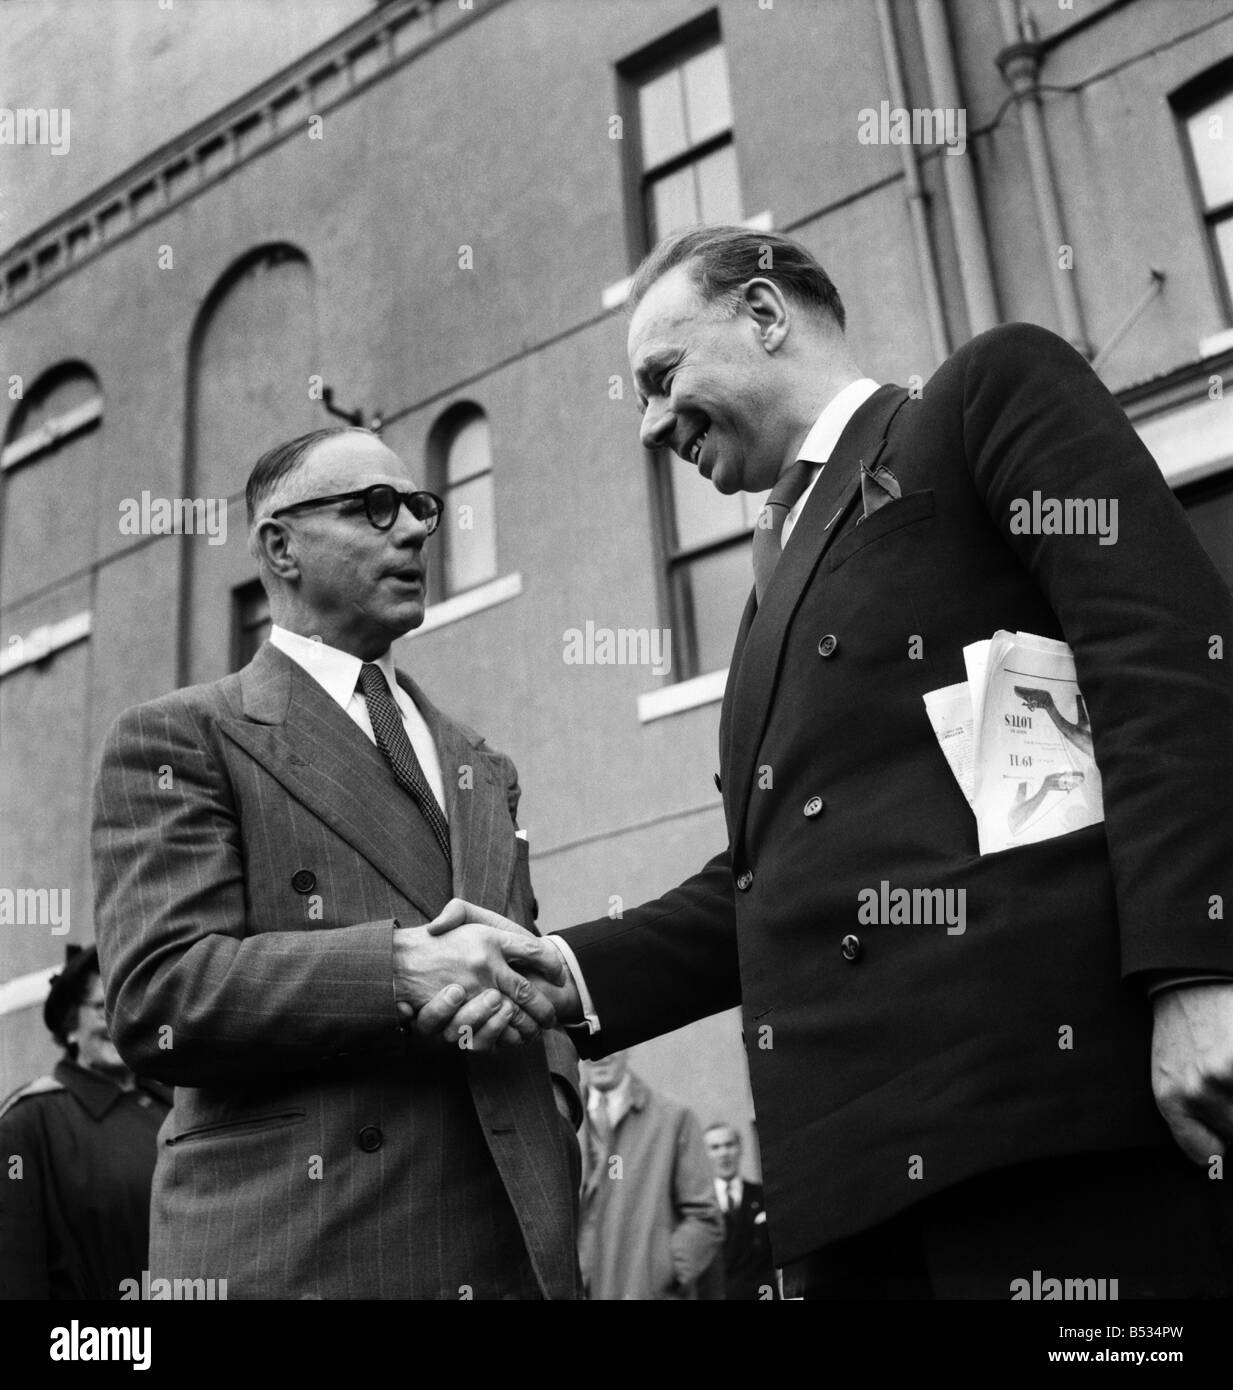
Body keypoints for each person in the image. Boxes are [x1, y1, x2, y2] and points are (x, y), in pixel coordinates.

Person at [430, 225, 1233, 1299]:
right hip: (845, 1195)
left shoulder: (978, 401)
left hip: (1045, 1137)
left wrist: (1200, 969)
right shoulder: (764, 598)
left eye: (662, 377)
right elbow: (766, 882)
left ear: (764, 315)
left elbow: (1166, 666)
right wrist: (562, 969)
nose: (652, 423)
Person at [91, 425, 583, 1300]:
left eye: (420, 510)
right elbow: (159, 991)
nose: (413, 532)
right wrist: (396, 969)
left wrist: (554, 1103)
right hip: (309, 1246)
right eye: (374, 509)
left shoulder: (482, 763)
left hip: (511, 1243)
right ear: (279, 546)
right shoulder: (183, 736)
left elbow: (528, 961)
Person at [0, 944, 171, 1299]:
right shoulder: (28, 1122)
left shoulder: (176, 1106)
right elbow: (17, 1274)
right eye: (99, 1007)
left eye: (125, 1007)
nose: (115, 1020)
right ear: (70, 1027)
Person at [577, 1050, 721, 1300]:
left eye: (606, 1044)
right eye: (587, 1045)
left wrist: (661, 1271)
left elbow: (704, 1217)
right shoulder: (560, 1121)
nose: (598, 1054)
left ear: (626, 1046)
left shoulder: (674, 1118)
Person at [703, 1122, 778, 1301]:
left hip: (762, 1293)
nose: (724, 1153)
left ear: (740, 1148)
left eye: (729, 1145)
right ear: (703, 1153)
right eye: (715, 1147)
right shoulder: (698, 1205)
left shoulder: (763, 1196)